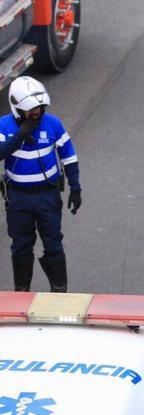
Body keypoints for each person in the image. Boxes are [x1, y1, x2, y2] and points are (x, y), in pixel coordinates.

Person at [0, 76, 81, 292]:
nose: (37, 113)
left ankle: (59, 290)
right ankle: (21, 292)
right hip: (18, 198)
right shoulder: (3, 126)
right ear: (17, 109)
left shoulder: (53, 123)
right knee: (20, 246)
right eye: (32, 110)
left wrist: (76, 188)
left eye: (40, 107)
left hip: (47, 196)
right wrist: (20, 135)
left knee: (53, 244)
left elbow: (69, 156)